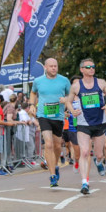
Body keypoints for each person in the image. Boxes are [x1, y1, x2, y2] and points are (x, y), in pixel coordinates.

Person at [66, 58, 106, 195]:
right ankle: (84, 182)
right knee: (84, 152)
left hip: (99, 122)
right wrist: (72, 110)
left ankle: (98, 162)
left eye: (93, 66)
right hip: (83, 123)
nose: (91, 69)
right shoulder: (76, 86)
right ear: (82, 70)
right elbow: (69, 102)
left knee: (99, 154)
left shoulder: (100, 82)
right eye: (88, 67)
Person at [30, 58, 71, 187]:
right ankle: (52, 175)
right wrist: (32, 104)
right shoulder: (38, 81)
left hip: (58, 116)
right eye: (51, 66)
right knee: (48, 144)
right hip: (44, 115)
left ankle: (55, 164)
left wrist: (66, 99)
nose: (54, 68)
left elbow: (71, 95)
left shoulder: (64, 80)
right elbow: (33, 92)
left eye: (55, 66)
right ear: (46, 68)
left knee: (57, 146)